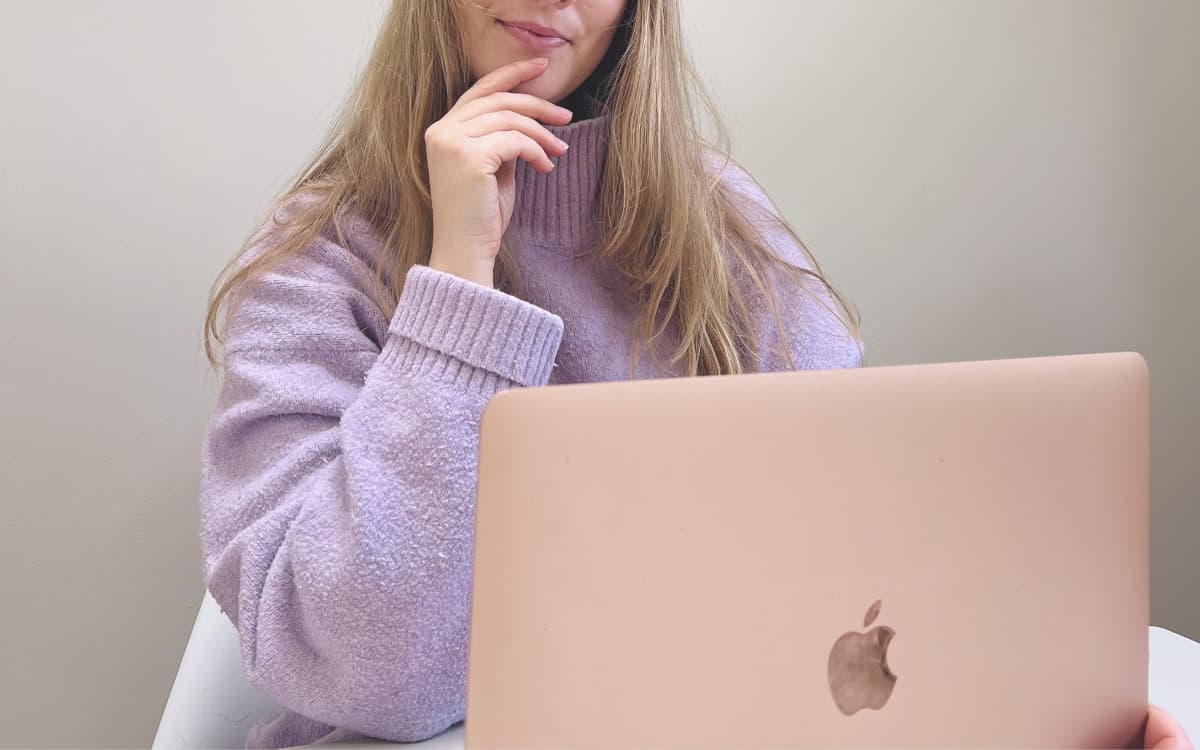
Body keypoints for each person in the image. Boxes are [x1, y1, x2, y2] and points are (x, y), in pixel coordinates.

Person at [197, 2, 1191, 749]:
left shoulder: (718, 224)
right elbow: (378, 675)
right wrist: (462, 273)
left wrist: (1016, 710)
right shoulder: (316, 261)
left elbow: (851, 572)